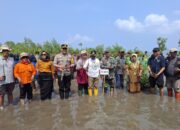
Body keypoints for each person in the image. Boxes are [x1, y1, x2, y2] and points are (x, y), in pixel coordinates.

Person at [0, 45, 15, 110]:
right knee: (1, 94)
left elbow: (14, 68)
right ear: (2, 52)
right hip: (2, 81)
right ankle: (1, 106)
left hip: (11, 79)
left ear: (9, 52)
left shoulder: (12, 59)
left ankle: (10, 104)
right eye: (4, 51)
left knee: (10, 93)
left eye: (7, 51)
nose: (6, 52)